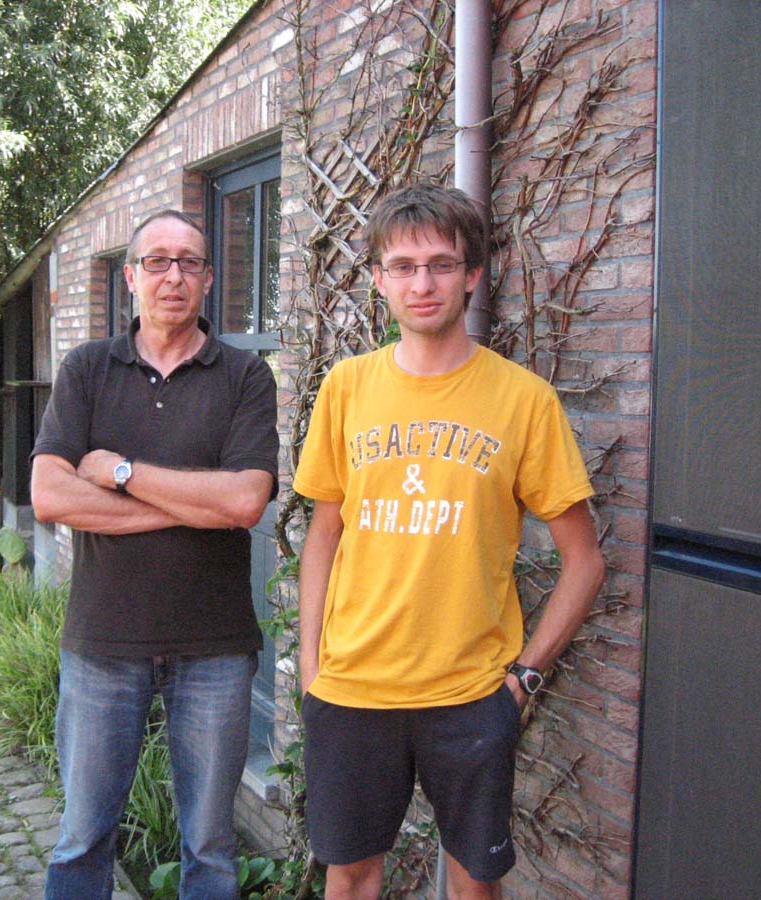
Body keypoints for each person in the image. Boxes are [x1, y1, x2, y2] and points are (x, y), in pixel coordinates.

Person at [292, 182, 606, 900]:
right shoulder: (346, 387)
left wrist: (522, 680)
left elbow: (585, 564)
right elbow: (324, 535)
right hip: (352, 689)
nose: (421, 282)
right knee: (350, 876)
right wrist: (312, 669)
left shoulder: (523, 399)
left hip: (470, 695)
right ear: (378, 279)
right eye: (402, 266)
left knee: (474, 883)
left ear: (472, 274)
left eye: (440, 263)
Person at [30, 209, 279, 900]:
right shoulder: (87, 369)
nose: (174, 275)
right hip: (103, 645)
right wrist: (189, 505)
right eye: (159, 261)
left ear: (206, 279)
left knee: (211, 848)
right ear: (131, 277)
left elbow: (243, 504)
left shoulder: (245, 378)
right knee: (83, 837)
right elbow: (50, 495)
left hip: (216, 650)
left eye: (190, 262)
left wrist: (119, 473)